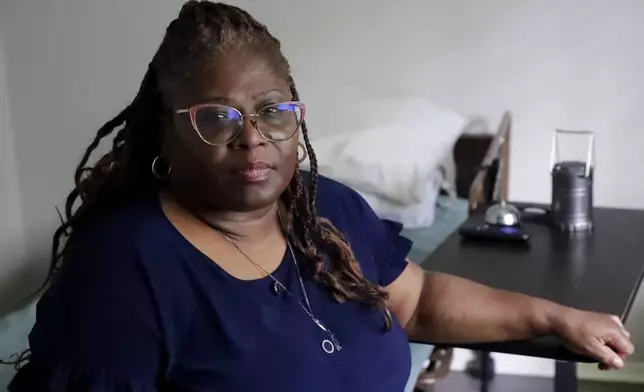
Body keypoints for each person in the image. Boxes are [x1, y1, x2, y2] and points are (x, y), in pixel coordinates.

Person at [7, 2, 634, 391]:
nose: (252, 140)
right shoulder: (124, 265)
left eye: (272, 112)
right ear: (166, 132)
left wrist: (555, 316)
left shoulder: (324, 207)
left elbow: (417, 299)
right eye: (216, 119)